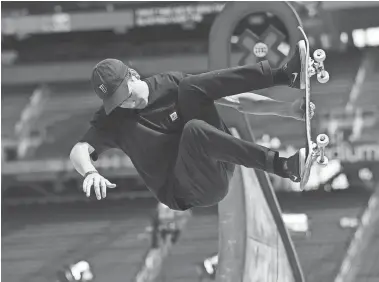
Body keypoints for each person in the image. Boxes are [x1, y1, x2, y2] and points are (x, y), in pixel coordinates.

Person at [70, 41, 314, 211]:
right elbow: (79, 149)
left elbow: (236, 100)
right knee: (193, 130)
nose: (126, 102)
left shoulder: (170, 83)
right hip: (189, 189)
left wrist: (288, 110)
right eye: (118, 102)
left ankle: (285, 75)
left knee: (190, 88)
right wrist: (90, 172)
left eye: (127, 93)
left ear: (132, 75)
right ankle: (284, 167)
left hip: (219, 160)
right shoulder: (112, 120)